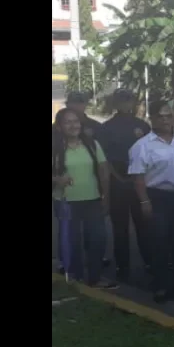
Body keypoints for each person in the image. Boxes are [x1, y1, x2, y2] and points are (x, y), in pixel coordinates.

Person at [128, 100, 174, 303]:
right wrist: (144, 202)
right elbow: (138, 176)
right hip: (157, 198)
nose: (165, 120)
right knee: (159, 243)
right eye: (160, 116)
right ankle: (162, 284)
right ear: (152, 119)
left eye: (168, 116)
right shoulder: (142, 145)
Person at [52, 108, 116, 289]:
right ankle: (75, 278)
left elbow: (103, 170)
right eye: (68, 122)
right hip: (65, 202)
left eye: (76, 121)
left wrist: (105, 195)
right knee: (72, 241)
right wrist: (57, 179)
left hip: (93, 200)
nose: (73, 125)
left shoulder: (92, 144)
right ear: (59, 126)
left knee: (97, 239)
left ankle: (95, 278)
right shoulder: (55, 148)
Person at [96, 88, 152, 281]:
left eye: (129, 100)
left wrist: (137, 179)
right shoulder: (106, 128)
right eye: (121, 100)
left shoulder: (143, 126)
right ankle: (122, 266)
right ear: (115, 103)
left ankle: (149, 262)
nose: (125, 104)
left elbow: (149, 155)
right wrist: (119, 179)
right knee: (120, 229)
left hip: (138, 182)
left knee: (144, 227)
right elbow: (104, 159)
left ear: (133, 103)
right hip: (117, 183)